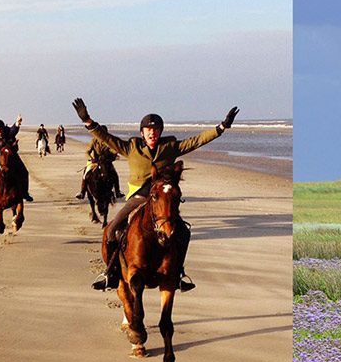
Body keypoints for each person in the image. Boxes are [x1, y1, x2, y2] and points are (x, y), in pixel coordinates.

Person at [72, 98, 239, 292]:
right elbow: (107, 138)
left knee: (183, 232)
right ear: (142, 132)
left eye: (156, 129)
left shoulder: (170, 147)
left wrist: (222, 127)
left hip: (162, 200)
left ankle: (178, 274)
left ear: (160, 132)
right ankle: (111, 273)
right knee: (111, 231)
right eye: (148, 130)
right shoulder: (131, 147)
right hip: (138, 198)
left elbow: (197, 141)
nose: (152, 133)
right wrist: (87, 121)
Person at [0, 115, 33, 203]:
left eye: (0, 129)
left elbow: (13, 130)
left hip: (12, 156)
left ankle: (25, 193)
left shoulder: (7, 131)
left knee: (24, 172)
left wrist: (18, 123)